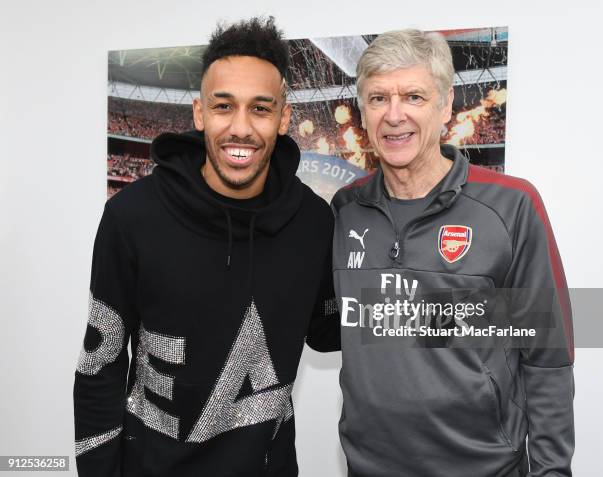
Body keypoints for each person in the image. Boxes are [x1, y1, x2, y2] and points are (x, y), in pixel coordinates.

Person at [74, 17, 339, 477]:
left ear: (283, 118)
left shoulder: (314, 222)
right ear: (199, 114)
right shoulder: (131, 216)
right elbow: (100, 370)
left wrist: (472, 306)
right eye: (223, 106)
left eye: (260, 108)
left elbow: (330, 329)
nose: (241, 128)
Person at [332, 29, 574, 476]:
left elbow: (547, 356)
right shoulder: (346, 209)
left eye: (414, 96)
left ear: (445, 106)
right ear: (363, 112)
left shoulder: (511, 206)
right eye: (378, 98)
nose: (394, 114)